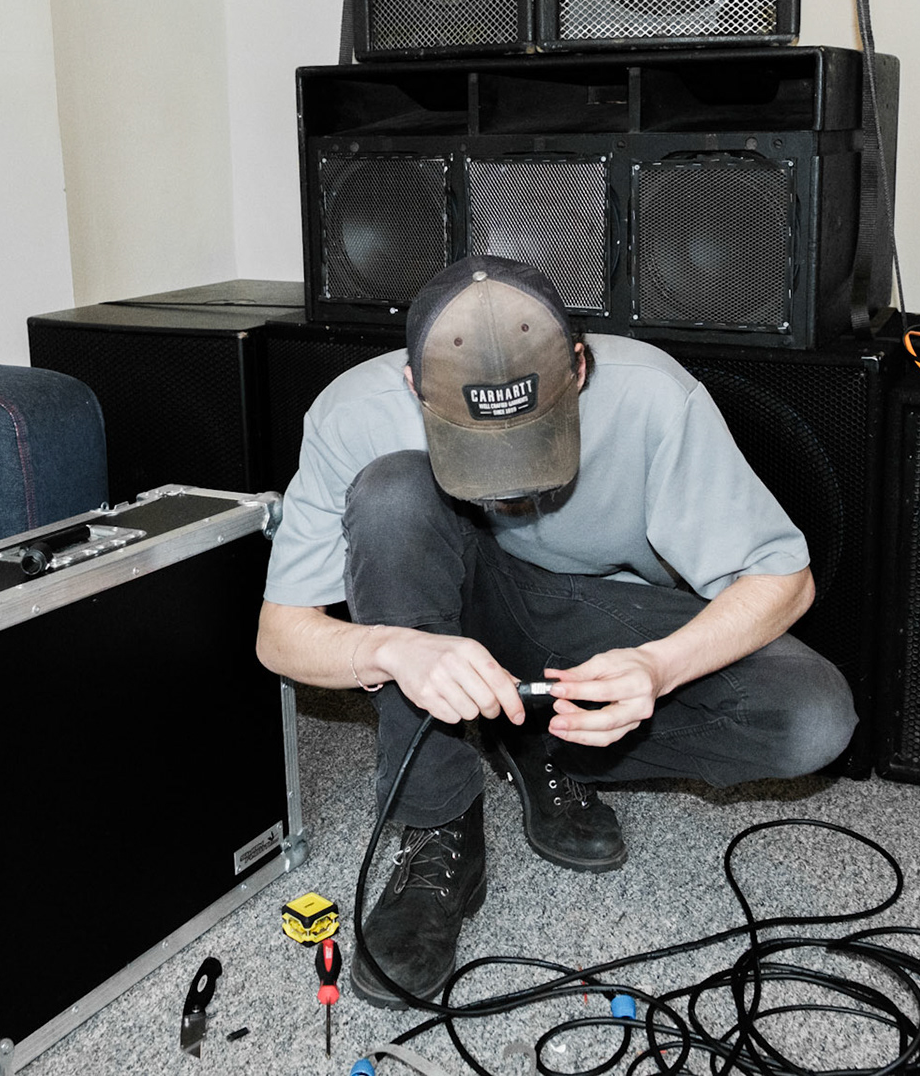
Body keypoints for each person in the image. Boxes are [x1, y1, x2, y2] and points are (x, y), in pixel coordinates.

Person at [255, 255, 857, 1008]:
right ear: (414, 386)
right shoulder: (351, 415)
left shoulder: (656, 396)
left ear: (577, 367)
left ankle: (546, 741)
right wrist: (390, 647)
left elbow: (784, 579)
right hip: (455, 604)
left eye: (532, 437)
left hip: (597, 621)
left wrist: (660, 668)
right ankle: (439, 825)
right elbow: (280, 636)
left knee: (812, 718)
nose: (511, 486)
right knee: (393, 494)